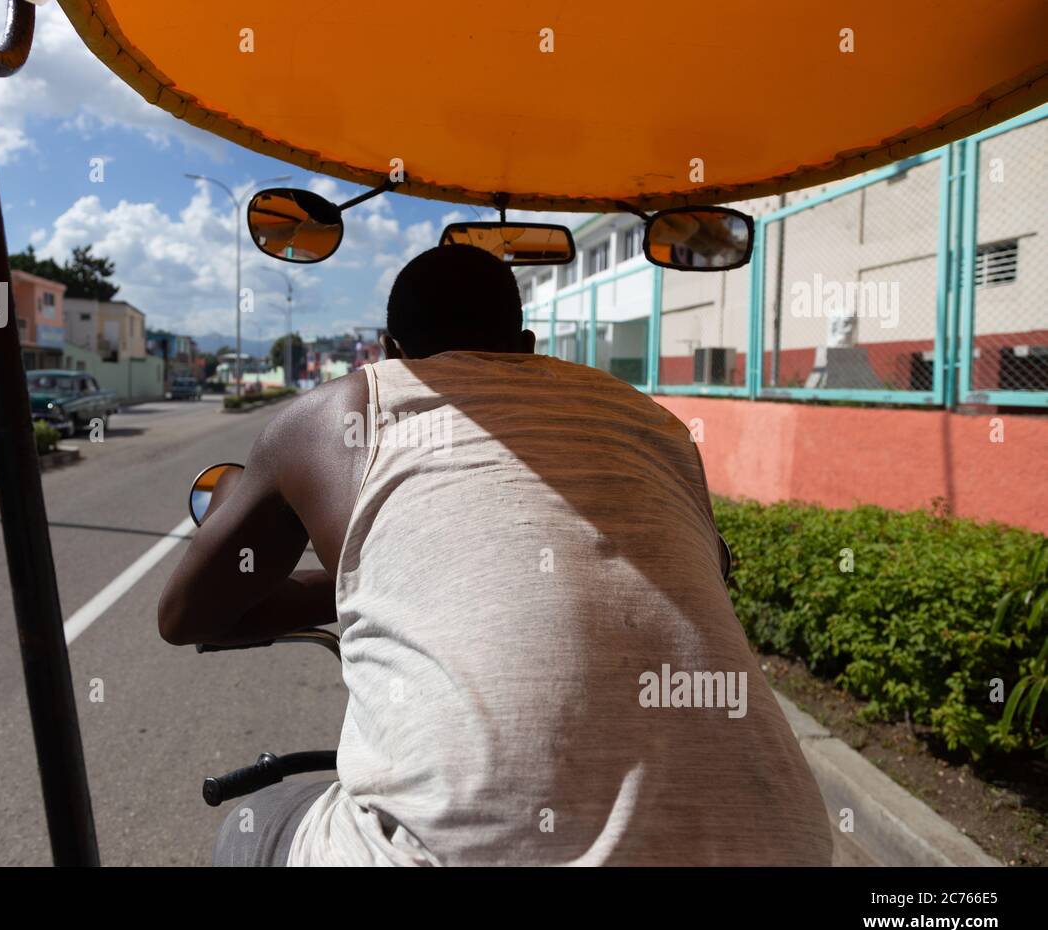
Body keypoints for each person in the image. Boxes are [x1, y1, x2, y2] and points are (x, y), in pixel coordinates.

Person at [158, 244, 832, 866]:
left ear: (390, 350)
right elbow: (701, 570)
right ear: (527, 346)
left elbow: (186, 614)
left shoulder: (340, 408)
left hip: (445, 851)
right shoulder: (654, 423)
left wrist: (242, 517)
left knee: (253, 823)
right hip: (781, 839)